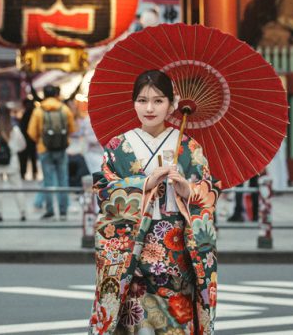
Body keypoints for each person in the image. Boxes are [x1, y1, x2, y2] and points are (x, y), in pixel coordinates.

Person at [89, 70, 219, 334]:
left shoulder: (189, 146)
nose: (149, 108)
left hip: (176, 254)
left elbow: (208, 193)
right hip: (131, 253)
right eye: (142, 100)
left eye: (159, 101)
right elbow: (104, 191)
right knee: (134, 322)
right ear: (133, 102)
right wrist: (143, 184)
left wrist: (188, 189)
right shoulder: (118, 146)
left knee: (175, 325)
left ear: (173, 103)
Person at [27, 85, 76, 220]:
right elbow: (72, 128)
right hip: (62, 148)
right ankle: (63, 211)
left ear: (43, 94)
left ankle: (50, 211)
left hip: (45, 149)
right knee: (63, 180)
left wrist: (41, 140)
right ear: (55, 94)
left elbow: (31, 132)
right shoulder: (64, 109)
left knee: (48, 181)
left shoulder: (39, 110)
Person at [0, 104, 27, 222]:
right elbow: (22, 146)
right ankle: (22, 212)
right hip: (12, 162)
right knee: (17, 188)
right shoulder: (15, 130)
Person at [18, 97, 39, 181]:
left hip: (25, 139)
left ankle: (23, 173)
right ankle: (34, 172)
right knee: (33, 157)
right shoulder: (34, 113)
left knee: (24, 157)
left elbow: (22, 127)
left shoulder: (26, 113)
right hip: (32, 139)